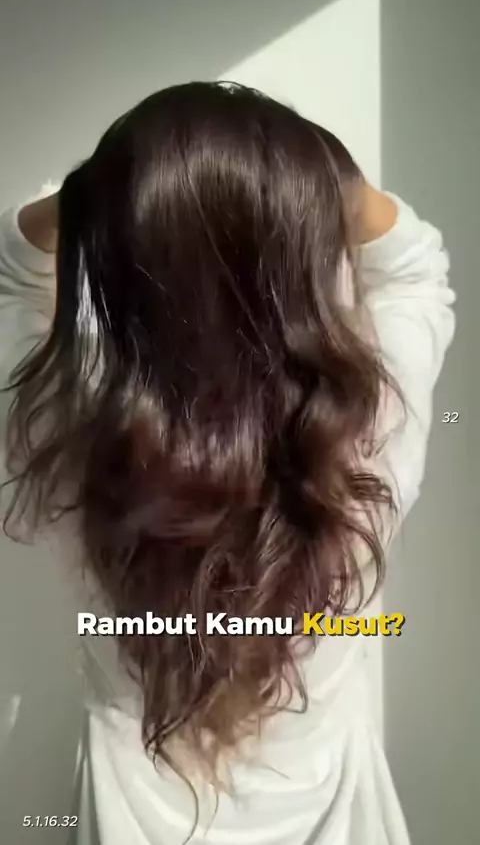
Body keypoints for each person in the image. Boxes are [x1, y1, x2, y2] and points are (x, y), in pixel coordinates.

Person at [0, 81, 455, 845]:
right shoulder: (365, 452)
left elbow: (13, 268)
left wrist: (99, 197)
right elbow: (414, 269)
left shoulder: (69, 449)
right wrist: (317, 183)